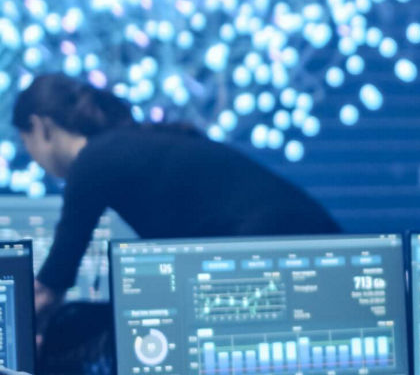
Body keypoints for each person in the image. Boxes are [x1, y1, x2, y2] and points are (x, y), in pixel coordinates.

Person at [12, 73, 341, 317]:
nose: (35, 159)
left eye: (27, 144)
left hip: (277, 250)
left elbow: (51, 285)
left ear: (41, 126)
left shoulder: (93, 160)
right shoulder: (126, 144)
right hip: (312, 244)